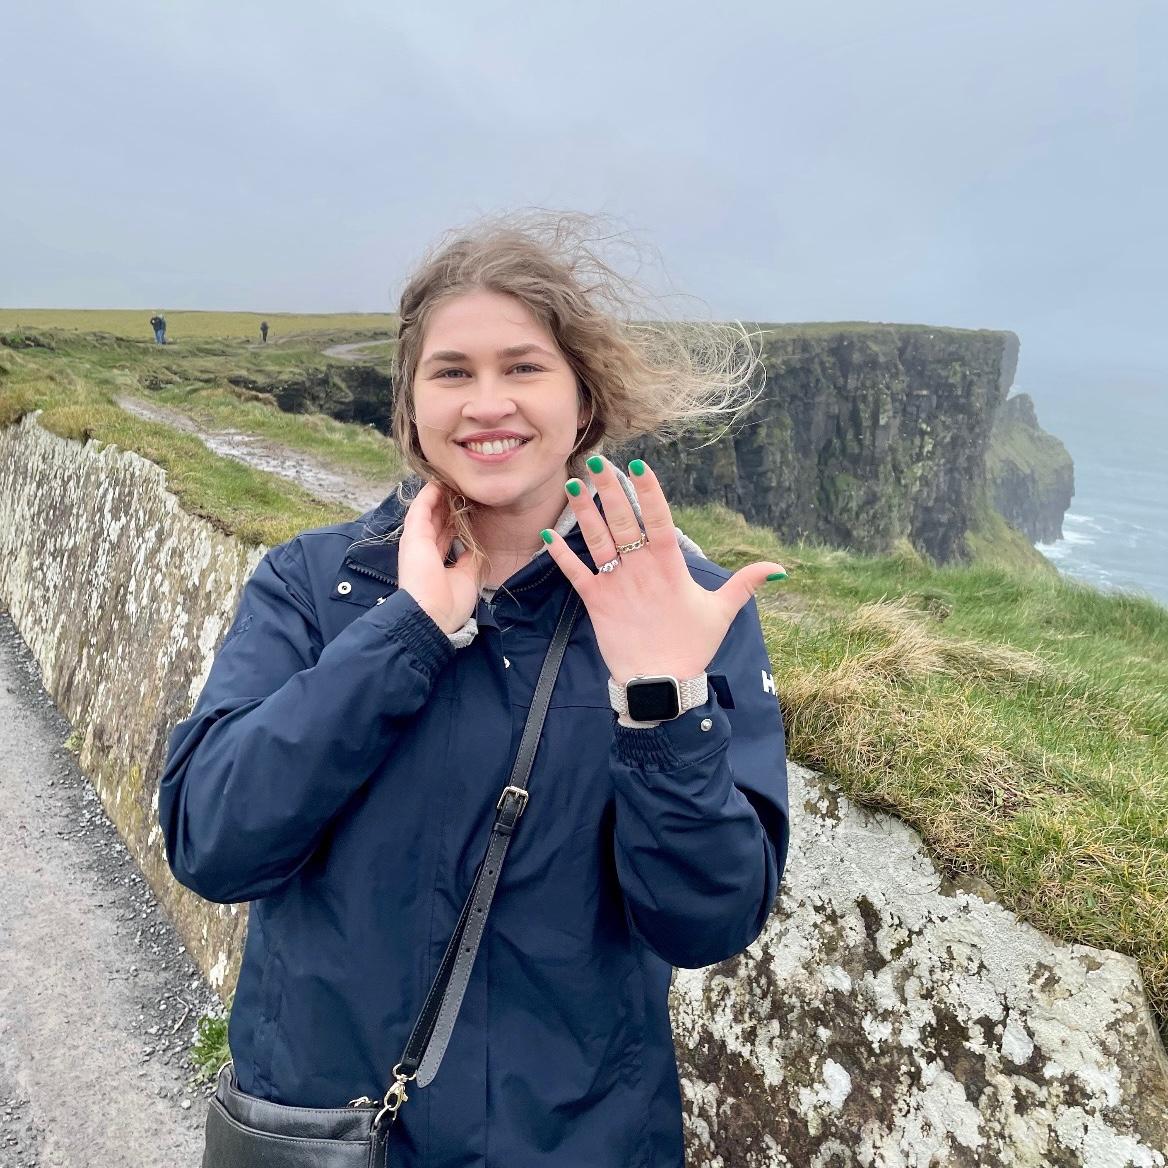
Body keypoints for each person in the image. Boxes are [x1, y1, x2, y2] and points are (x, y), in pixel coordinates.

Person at [158, 211, 791, 1168]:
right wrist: (403, 636)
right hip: (332, 1135)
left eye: (524, 367)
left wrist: (660, 700)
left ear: (583, 402)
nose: (486, 402)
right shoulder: (312, 586)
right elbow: (212, 842)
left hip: (579, 1143)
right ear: (410, 406)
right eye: (452, 371)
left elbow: (705, 920)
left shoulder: (679, 610)